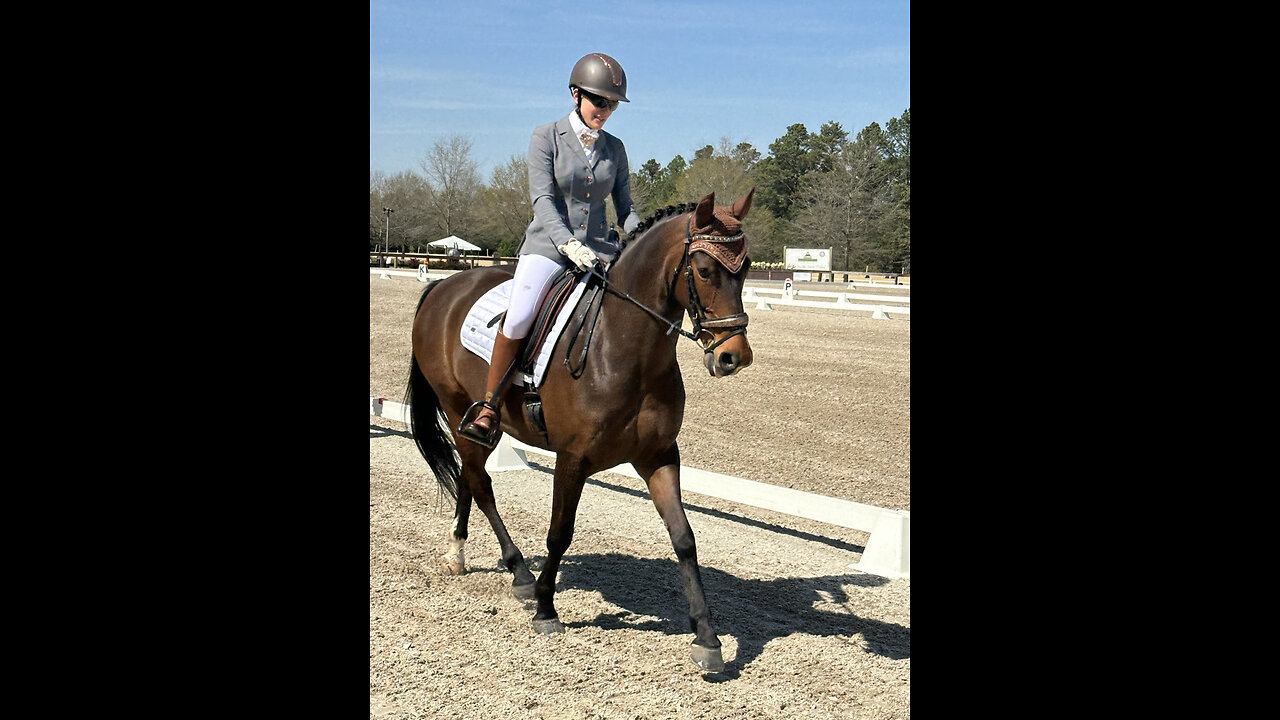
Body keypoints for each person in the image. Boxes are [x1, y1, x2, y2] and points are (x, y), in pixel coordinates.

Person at [458, 52, 644, 447]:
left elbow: (625, 209)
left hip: (600, 251)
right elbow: (542, 199)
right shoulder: (546, 137)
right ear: (576, 94)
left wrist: (643, 232)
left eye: (613, 104)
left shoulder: (616, 149)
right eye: (600, 101)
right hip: (548, 246)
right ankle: (490, 406)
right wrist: (567, 243)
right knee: (522, 313)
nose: (606, 111)